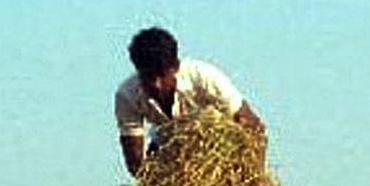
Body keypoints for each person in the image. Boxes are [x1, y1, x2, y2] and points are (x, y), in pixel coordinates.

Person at [114, 27, 266, 176]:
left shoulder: (205, 78)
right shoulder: (127, 96)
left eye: (161, 75)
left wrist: (251, 178)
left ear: (175, 67)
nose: (156, 84)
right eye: (148, 76)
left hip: (219, 149)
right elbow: (135, 162)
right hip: (168, 150)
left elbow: (254, 127)